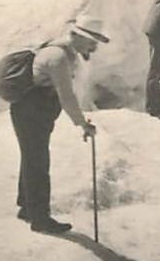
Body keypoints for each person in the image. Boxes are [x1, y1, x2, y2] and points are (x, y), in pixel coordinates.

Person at [11, 17, 109, 234]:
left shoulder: (63, 52)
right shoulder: (59, 57)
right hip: (30, 111)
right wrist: (82, 124)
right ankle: (40, 219)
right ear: (76, 36)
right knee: (37, 161)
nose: (94, 47)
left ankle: (27, 207)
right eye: (91, 41)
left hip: (33, 110)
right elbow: (66, 96)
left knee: (32, 157)